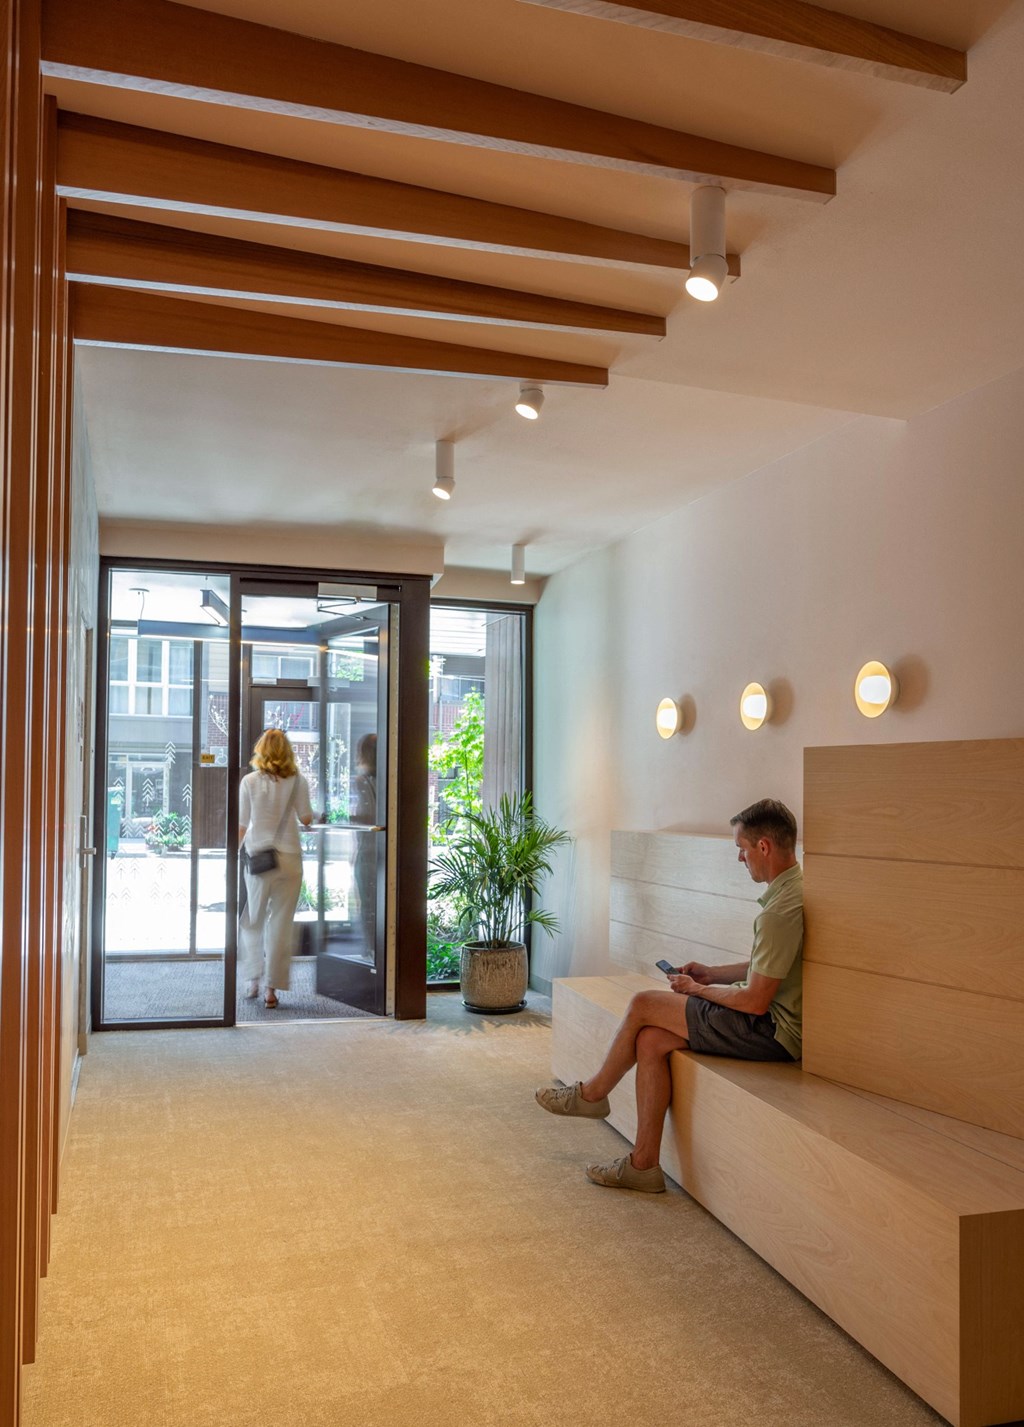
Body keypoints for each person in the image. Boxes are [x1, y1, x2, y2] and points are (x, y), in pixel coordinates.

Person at [536, 799, 803, 1193]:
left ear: (763, 846)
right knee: (651, 1039)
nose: (740, 860)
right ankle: (642, 1165)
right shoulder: (791, 893)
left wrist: (697, 989)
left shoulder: (778, 912)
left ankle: (592, 1094)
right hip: (768, 1022)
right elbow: (764, 967)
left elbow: (755, 1001)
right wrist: (713, 973)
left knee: (644, 1003)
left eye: (741, 850)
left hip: (770, 1030)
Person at [238, 728, 314, 1008]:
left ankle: (253, 979)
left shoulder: (249, 782)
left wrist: (232, 856)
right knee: (281, 924)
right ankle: (272, 990)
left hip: (259, 858)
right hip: (291, 859)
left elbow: (242, 824)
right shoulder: (298, 781)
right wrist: (315, 815)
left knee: (252, 920)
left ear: (262, 750)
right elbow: (306, 818)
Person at [351, 733, 377, 958]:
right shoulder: (390, 780)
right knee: (378, 901)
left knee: (367, 902)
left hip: (368, 851)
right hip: (382, 851)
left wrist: (351, 820)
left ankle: (370, 949)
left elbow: (365, 814)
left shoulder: (361, 782)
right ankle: (378, 947)